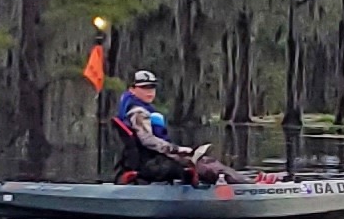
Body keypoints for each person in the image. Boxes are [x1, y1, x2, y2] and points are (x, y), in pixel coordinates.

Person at [106, 71, 249, 186]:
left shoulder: (143, 109)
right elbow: (147, 140)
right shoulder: (138, 112)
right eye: (144, 88)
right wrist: (177, 149)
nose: (149, 91)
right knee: (202, 164)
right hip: (150, 163)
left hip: (155, 159)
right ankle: (245, 187)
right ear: (132, 89)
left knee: (204, 161)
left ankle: (242, 182)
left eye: (152, 87)